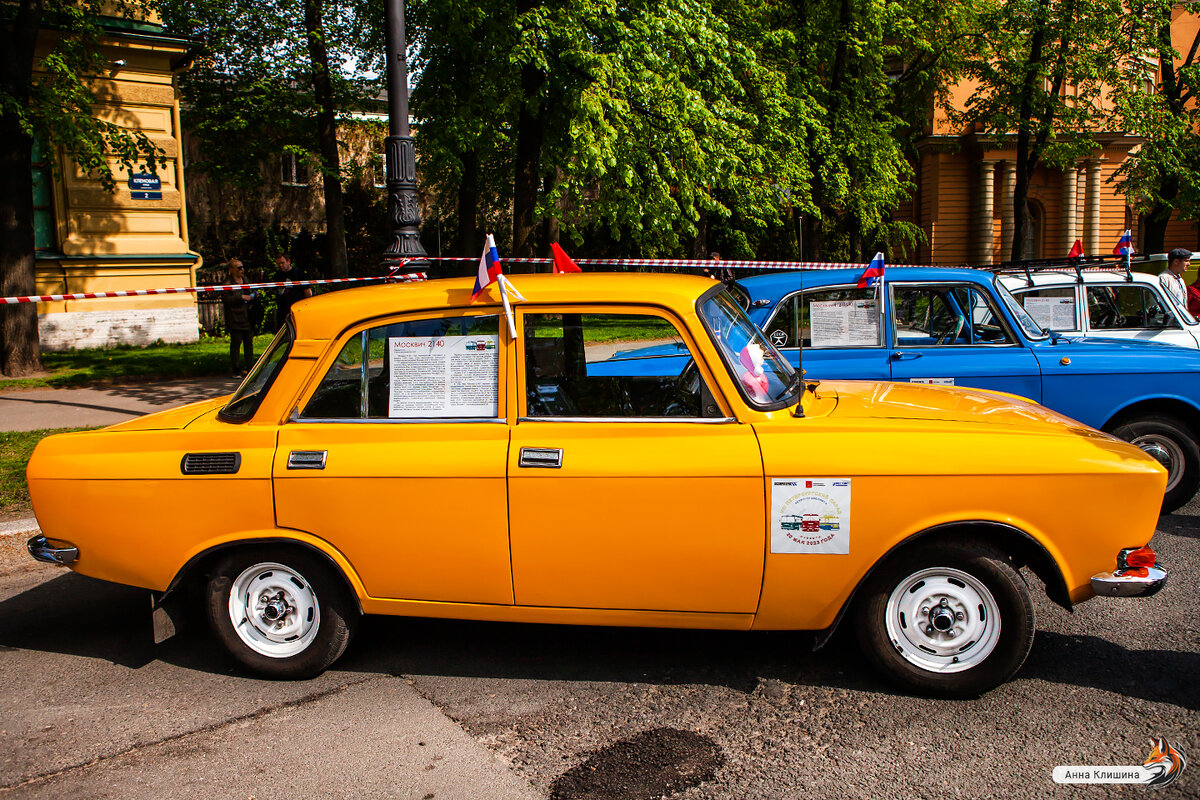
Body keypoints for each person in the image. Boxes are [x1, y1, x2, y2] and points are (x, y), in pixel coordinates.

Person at [221, 260, 255, 376]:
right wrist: (241, 297)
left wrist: (253, 296)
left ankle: (250, 367)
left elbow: (254, 291)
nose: (242, 270)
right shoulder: (227, 284)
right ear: (232, 270)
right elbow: (226, 300)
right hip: (235, 318)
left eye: (242, 267)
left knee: (249, 343)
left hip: (248, 317)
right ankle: (235, 369)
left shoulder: (246, 280)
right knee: (236, 344)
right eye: (239, 268)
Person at [274, 253, 312, 328]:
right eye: (278, 264)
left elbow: (308, 292)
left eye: (282, 263)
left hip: (297, 309)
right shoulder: (277, 275)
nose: (280, 265)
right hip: (282, 311)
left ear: (288, 261)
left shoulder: (298, 273)